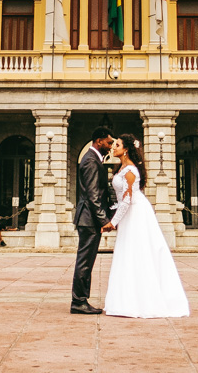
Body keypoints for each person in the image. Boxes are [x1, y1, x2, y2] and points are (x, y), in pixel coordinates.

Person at [102, 133, 190, 318]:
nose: (113, 147)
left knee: (138, 253)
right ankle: (127, 298)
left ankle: (141, 300)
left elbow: (127, 199)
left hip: (136, 213)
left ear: (125, 149)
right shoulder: (122, 168)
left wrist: (113, 222)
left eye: (117, 144)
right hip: (129, 213)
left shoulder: (131, 171)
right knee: (129, 253)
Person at [71, 126, 115, 314]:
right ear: (99, 141)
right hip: (89, 219)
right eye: (109, 142)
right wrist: (103, 220)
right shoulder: (90, 161)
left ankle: (81, 299)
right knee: (85, 261)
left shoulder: (94, 158)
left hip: (89, 218)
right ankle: (79, 301)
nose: (111, 146)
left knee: (87, 261)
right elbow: (92, 195)